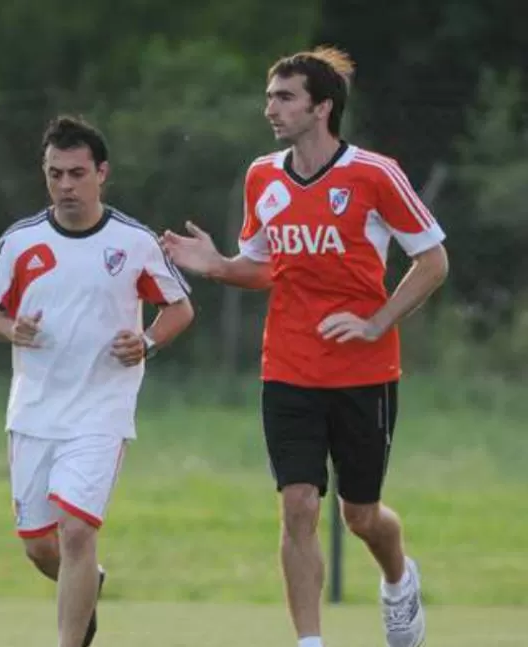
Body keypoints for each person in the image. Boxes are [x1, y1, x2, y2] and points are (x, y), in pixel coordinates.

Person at [162, 47, 448, 647]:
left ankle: (398, 580)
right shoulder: (262, 176)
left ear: (322, 107)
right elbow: (263, 268)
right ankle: (310, 642)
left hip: (364, 372)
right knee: (298, 505)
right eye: (270, 96)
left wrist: (376, 322)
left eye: (285, 96)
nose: (271, 107)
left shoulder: (374, 174)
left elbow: (433, 261)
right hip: (288, 367)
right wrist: (216, 265)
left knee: (361, 515)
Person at [0, 115, 194, 647]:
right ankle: (88, 585)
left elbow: (180, 308)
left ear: (102, 173)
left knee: (76, 530)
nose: (66, 185)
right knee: (39, 546)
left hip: (101, 411)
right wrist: (11, 327)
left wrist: (149, 342)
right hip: (34, 411)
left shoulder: (133, 242)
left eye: (76, 173)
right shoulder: (20, 241)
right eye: (55, 174)